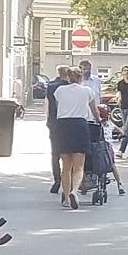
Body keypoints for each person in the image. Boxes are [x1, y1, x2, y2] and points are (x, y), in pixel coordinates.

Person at [51, 67, 99, 209]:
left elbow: (58, 106)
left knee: (66, 166)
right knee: (79, 166)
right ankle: (74, 191)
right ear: (81, 77)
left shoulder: (59, 91)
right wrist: (99, 119)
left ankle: (66, 198)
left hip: (63, 126)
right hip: (79, 125)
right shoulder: (87, 91)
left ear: (68, 77)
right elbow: (94, 110)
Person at [44, 65, 74, 194]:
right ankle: (70, 180)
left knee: (55, 153)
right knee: (70, 152)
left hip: (54, 122)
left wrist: (48, 119)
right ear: (67, 74)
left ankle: (57, 180)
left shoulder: (51, 86)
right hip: (68, 121)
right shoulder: (69, 87)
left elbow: (48, 104)